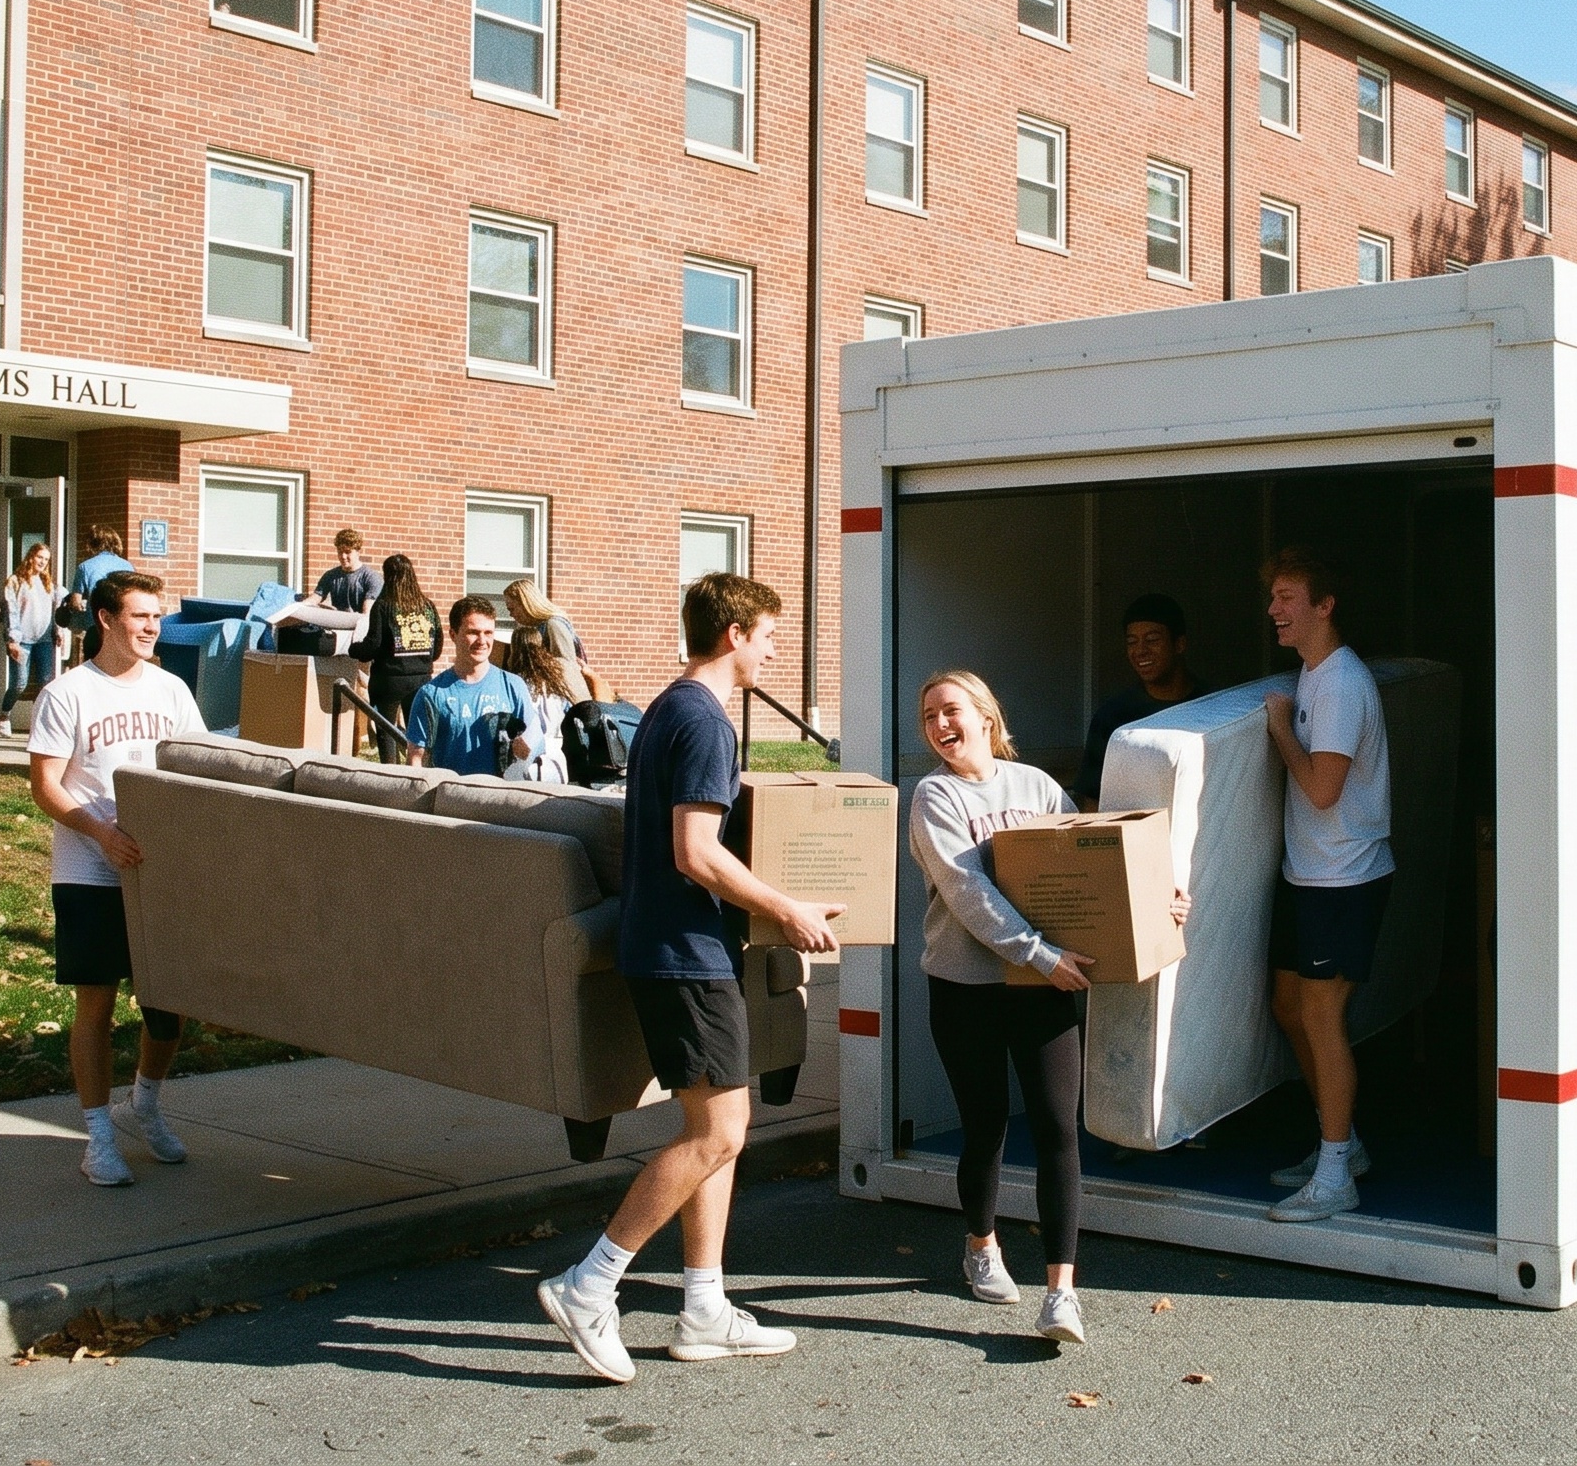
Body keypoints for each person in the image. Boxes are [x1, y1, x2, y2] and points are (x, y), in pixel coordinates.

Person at [537, 572, 842, 1384]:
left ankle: (703, 1307)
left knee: (720, 1134)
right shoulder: (704, 721)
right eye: (770, 634)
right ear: (736, 633)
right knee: (719, 1133)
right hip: (684, 955)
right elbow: (695, 853)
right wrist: (789, 910)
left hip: (677, 949)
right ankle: (588, 1284)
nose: (775, 648)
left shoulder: (671, 707)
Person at [908, 670, 1189, 1344]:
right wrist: (1038, 952)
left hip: (1041, 989)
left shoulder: (1034, 787)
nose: (940, 725)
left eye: (951, 710)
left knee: (1058, 1128)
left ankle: (1061, 1294)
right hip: (967, 988)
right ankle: (981, 1245)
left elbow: (1088, 862)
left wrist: (1160, 899)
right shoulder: (932, 795)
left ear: (985, 715)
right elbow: (967, 891)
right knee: (984, 1127)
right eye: (928, 717)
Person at [28, 570, 207, 1187]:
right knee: (96, 1004)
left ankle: (147, 1106)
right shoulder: (68, 693)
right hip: (90, 871)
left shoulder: (173, 691)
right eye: (140, 615)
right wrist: (102, 834)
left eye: (157, 616)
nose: (153, 626)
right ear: (105, 619)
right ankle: (98, 1136)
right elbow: (45, 786)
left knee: (168, 1004)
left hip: (160, 871)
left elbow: (196, 773)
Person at [1259, 547, 1393, 1224]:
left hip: (1342, 879)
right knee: (1289, 1005)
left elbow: (1321, 789)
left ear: (1324, 605)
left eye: (1287, 597)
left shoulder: (1338, 686)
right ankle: (1341, 1144)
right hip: (1308, 875)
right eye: (1274, 598)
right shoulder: (1312, 675)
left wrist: (1280, 728)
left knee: (1319, 1014)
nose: (1274, 610)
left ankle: (1337, 1174)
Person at [1076, 593, 1198, 807]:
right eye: (1132, 642)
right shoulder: (1112, 718)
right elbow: (1092, 801)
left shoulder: (1213, 706)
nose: (1140, 650)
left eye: (1152, 640)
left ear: (1180, 644)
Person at [405, 597, 530, 774]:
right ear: (453, 635)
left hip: (502, 795)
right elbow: (415, 759)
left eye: (488, 633)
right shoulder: (431, 694)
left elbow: (531, 750)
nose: (482, 640)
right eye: (473, 632)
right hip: (452, 796)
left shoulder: (513, 686)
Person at [349, 554, 443, 764]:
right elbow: (436, 648)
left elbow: (373, 645)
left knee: (386, 730)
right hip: (421, 680)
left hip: (389, 679)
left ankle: (392, 775)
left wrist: (354, 649)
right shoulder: (428, 606)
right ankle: (419, 775)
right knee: (418, 734)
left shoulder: (383, 605)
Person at [500, 618, 583, 784]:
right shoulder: (556, 684)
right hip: (557, 758)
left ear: (514, 649)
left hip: (527, 754)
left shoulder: (515, 683)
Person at [0, 542, 61, 738]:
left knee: (45, 682)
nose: (43, 562)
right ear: (31, 556)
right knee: (20, 683)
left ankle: (39, 726)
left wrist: (58, 631)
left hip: (44, 641)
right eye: (40, 557)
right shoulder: (16, 581)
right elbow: (11, 612)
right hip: (22, 639)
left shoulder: (49, 584)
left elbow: (56, 610)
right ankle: (5, 716)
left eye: (46, 559)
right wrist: (12, 640)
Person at [501, 577, 603, 698]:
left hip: (565, 698)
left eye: (512, 608)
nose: (511, 614)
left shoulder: (553, 624)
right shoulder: (541, 627)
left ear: (525, 603)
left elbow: (566, 665)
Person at [64, 526, 132, 667]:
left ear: (92, 543)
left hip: (95, 628)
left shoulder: (85, 567)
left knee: (94, 672)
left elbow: (76, 603)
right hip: (122, 628)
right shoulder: (128, 566)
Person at [308, 528, 381, 615]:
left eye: (347, 552)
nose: (343, 556)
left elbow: (367, 613)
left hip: (361, 625)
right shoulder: (330, 575)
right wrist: (297, 607)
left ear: (358, 552)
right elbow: (315, 598)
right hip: (337, 624)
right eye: (340, 552)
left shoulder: (372, 578)